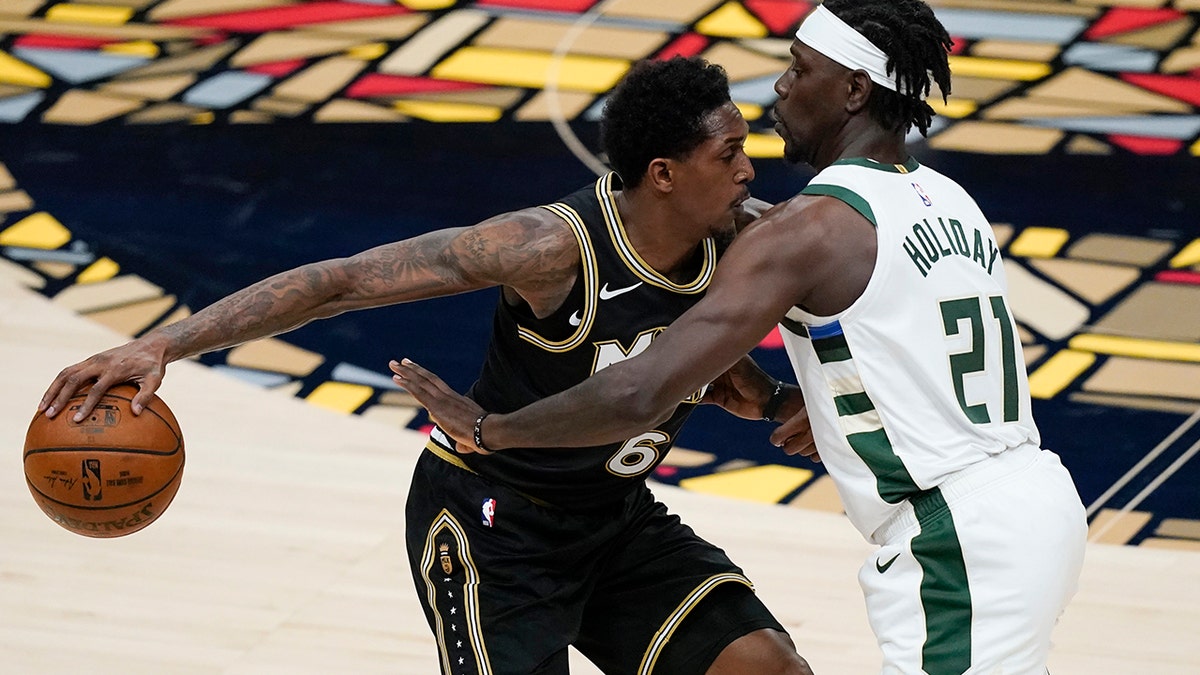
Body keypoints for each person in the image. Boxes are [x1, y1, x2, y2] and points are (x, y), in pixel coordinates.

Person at [39, 57, 813, 674]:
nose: (751, 167)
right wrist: (164, 343)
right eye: (730, 152)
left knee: (767, 667)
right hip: (494, 525)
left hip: (614, 520)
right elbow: (344, 280)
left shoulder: (752, 240)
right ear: (664, 174)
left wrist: (791, 398)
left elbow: (868, 302)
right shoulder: (547, 247)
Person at [391, 2, 1089, 674]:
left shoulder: (808, 226)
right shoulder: (948, 200)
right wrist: (794, 400)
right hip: (1037, 503)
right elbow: (901, 348)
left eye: (797, 68)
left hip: (956, 533)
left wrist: (490, 429)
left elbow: (640, 388)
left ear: (851, 89)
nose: (780, 88)